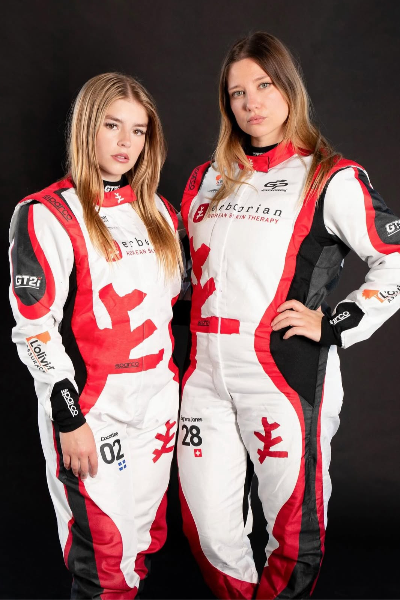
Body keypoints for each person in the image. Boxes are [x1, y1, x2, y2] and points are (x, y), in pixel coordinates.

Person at [177, 32, 400, 600]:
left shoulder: (331, 176)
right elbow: (180, 278)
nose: (251, 102)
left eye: (264, 85)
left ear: (288, 89)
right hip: (201, 379)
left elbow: (394, 259)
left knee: (293, 535)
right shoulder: (204, 179)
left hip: (283, 376)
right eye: (237, 93)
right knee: (207, 531)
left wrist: (337, 322)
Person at [9, 72, 182, 599]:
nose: (126, 142)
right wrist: (68, 417)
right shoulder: (46, 213)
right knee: (102, 557)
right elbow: (34, 330)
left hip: (158, 406)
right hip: (92, 412)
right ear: (87, 128)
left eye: (139, 130)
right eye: (112, 125)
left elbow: (180, 302)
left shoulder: (159, 212)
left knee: (141, 545)